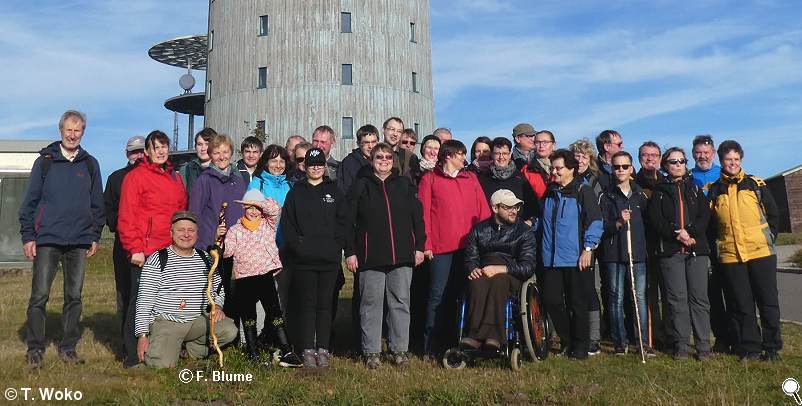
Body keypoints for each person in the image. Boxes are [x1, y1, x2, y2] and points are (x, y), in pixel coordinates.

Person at [19, 110, 105, 368]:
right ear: (60, 131)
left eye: (77, 130)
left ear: (83, 132)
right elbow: (29, 203)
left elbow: (96, 203)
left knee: (74, 297)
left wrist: (94, 235)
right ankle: (35, 348)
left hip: (79, 241)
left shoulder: (90, 164)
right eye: (68, 129)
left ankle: (67, 348)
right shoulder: (45, 161)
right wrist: (28, 236)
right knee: (39, 296)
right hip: (47, 239)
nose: (72, 134)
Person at [345, 143, 426, 369]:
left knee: (400, 302)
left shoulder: (404, 184)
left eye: (388, 157)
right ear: (371, 161)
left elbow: (417, 219)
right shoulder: (360, 186)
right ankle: (371, 351)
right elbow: (348, 222)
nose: (383, 160)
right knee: (370, 303)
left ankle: (400, 349)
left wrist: (419, 246)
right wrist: (350, 252)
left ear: (393, 161)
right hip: (370, 256)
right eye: (378, 157)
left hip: (401, 255)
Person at [117, 130, 187, 368]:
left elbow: (181, 212)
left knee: (164, 302)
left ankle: (157, 349)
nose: (160, 151)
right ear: (147, 151)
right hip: (145, 250)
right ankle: (130, 354)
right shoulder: (136, 177)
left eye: (163, 146)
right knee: (139, 301)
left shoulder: (175, 178)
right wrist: (135, 248)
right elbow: (127, 216)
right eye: (155, 147)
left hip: (169, 250)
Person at [134, 211, 238, 369]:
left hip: (198, 319)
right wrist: (142, 336)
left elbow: (218, 287)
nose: (186, 234)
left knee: (229, 330)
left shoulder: (206, 258)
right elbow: (144, 300)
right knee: (162, 366)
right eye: (181, 230)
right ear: (171, 233)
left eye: (191, 230)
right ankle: (166, 351)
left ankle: (189, 351)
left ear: (197, 233)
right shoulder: (158, 259)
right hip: (168, 322)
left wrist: (217, 306)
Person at [708, 140, 781, 362]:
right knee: (742, 304)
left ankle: (771, 348)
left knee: (767, 302)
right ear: (721, 161)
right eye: (728, 159)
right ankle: (750, 348)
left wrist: (767, 240)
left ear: (741, 159)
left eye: (736, 159)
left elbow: (774, 216)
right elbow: (711, 226)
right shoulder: (714, 191)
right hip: (731, 257)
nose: (732, 163)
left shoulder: (755, 185)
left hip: (761, 253)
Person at [418, 140, 491, 358]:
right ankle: (431, 344)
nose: (464, 158)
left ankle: (458, 339)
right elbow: (423, 216)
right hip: (440, 248)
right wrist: (426, 244)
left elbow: (484, 212)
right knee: (437, 295)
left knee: (463, 294)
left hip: (468, 249)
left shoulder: (471, 178)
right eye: (460, 154)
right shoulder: (429, 179)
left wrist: (484, 244)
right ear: (448, 156)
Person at [281, 148, 348, 368]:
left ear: (325, 166)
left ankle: (324, 349)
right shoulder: (296, 192)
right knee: (307, 306)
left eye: (320, 164)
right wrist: (298, 247)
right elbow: (288, 226)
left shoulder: (335, 191)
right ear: (304, 167)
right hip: (304, 261)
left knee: (325, 306)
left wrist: (335, 246)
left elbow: (343, 223)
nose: (316, 168)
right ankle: (308, 349)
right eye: (312, 165)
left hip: (328, 260)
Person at [223, 189, 303, 367]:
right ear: (243, 208)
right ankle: (252, 352)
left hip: (265, 275)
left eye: (256, 208)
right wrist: (220, 238)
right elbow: (227, 252)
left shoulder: (268, 224)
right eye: (249, 207)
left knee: (275, 313)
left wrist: (260, 203)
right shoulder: (235, 230)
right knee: (248, 316)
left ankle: (287, 350)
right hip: (244, 277)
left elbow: (275, 209)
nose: (253, 211)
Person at [648, 147, 712, 361]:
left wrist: (690, 232)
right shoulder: (659, 191)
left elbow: (705, 216)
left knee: (699, 299)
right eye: (673, 161)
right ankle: (681, 345)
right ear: (665, 165)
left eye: (681, 161)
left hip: (697, 250)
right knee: (677, 300)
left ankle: (703, 346)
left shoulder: (695, 187)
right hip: (671, 252)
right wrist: (679, 235)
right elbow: (656, 221)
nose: (677, 165)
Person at [539, 149, 602, 360]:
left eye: (559, 168)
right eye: (552, 168)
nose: (554, 172)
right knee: (551, 300)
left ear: (571, 170)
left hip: (576, 258)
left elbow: (594, 221)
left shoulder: (583, 191)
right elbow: (541, 222)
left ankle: (581, 347)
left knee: (578, 303)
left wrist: (588, 249)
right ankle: (567, 340)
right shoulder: (549, 192)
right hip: (551, 259)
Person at [461, 190, 537, 350]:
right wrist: (473, 268)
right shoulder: (479, 230)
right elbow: (471, 257)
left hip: (511, 272)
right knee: (477, 282)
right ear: (495, 208)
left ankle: (494, 335)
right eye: (508, 207)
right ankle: (474, 335)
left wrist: (500, 269)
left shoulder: (524, 232)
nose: (514, 211)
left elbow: (528, 266)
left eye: (516, 207)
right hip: (485, 269)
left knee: (499, 282)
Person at [189, 133, 247, 339]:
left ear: (231, 153)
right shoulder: (204, 181)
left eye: (225, 152)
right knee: (212, 291)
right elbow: (194, 213)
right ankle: (208, 336)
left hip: (235, 246)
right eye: (217, 152)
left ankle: (231, 336)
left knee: (232, 293)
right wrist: (206, 239)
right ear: (211, 155)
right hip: (210, 246)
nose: (222, 156)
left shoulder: (238, 182)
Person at [598, 151, 655, 357]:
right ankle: (619, 343)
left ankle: (643, 342)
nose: (620, 170)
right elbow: (601, 227)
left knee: (639, 298)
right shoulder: (606, 196)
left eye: (624, 166)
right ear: (612, 169)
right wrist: (618, 223)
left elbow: (649, 224)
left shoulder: (640, 195)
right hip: (614, 254)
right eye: (616, 167)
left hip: (637, 254)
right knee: (616, 300)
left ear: (631, 169)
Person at [103, 135, 145, 365]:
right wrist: (122, 222)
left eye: (141, 151)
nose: (137, 156)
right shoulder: (116, 178)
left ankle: (145, 343)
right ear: (126, 154)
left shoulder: (151, 177)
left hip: (147, 244)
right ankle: (124, 345)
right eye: (133, 152)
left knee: (147, 296)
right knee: (125, 294)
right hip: (123, 244)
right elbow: (106, 209)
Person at [690, 134, 731, 354]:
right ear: (693, 154)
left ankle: (740, 336)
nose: (702, 156)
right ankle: (721, 339)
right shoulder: (689, 177)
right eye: (698, 152)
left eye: (706, 152)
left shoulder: (723, 174)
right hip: (703, 241)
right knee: (711, 293)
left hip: (725, 238)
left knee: (733, 290)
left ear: (713, 153)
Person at [247, 145, 294, 311]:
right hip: (263, 250)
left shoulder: (290, 185)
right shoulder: (256, 185)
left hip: (286, 248)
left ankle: (282, 333)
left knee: (284, 294)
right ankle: (257, 334)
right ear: (266, 162)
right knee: (262, 296)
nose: (278, 165)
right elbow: (249, 218)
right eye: (274, 160)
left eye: (282, 161)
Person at [568, 137, 603, 354]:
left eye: (584, 156)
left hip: (592, 242)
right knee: (573, 291)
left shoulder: (596, 181)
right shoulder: (566, 179)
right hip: (571, 243)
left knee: (590, 289)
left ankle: (594, 337)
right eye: (576, 156)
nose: (580, 160)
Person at [635, 141, 671, 351]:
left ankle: (668, 335)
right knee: (646, 294)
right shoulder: (634, 182)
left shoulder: (666, 182)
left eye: (654, 155)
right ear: (640, 158)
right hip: (643, 245)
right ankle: (650, 336)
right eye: (646, 155)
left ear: (660, 159)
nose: (650, 159)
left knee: (668, 293)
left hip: (665, 245)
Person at [477, 137, 539, 223]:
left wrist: (529, 222)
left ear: (510, 155)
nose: (501, 157)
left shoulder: (520, 178)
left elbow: (533, 206)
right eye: (497, 153)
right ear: (492, 155)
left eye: (505, 153)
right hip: (491, 229)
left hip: (516, 230)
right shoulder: (483, 179)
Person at [337, 124, 379, 194]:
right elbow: (345, 190)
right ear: (359, 144)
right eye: (366, 142)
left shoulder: (382, 161)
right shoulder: (349, 163)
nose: (370, 146)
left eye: (373, 142)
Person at [179, 127, 216, 194]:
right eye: (199, 144)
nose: (203, 148)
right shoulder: (186, 170)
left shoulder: (227, 169)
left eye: (207, 144)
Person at [521, 130, 555, 199]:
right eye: (537, 142)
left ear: (553, 145)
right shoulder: (526, 170)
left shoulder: (564, 166)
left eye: (545, 142)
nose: (541, 146)